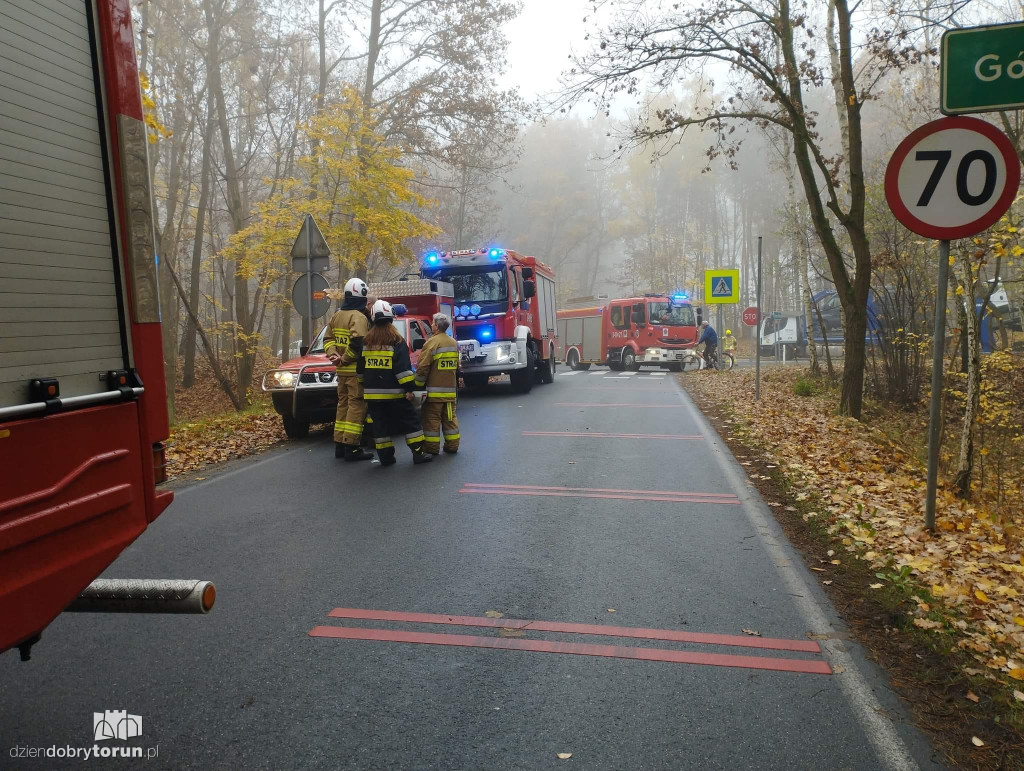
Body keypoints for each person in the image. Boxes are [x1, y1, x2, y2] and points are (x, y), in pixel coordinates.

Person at [355, 300, 433, 466]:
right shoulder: (396, 341)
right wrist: (409, 389)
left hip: (372, 395)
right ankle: (418, 454)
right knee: (410, 421)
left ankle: (386, 458)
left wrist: (364, 386)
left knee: (380, 426)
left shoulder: (367, 342)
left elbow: (360, 370)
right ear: (391, 318)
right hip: (395, 394)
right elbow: (403, 371)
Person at [324, 278, 373, 461]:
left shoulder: (337, 315)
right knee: (356, 406)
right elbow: (358, 342)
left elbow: (328, 339)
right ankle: (352, 447)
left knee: (342, 405)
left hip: (341, 372)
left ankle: (339, 445)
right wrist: (343, 359)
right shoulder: (358, 317)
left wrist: (333, 355)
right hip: (353, 371)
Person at [415, 312, 460, 455]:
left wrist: (417, 385)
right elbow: (457, 367)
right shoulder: (453, 343)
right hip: (450, 392)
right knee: (450, 419)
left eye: (433, 323)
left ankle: (432, 448)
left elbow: (423, 367)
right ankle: (452, 445)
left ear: (437, 326)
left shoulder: (432, 343)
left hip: (434, 394)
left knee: (432, 420)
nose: (432, 325)